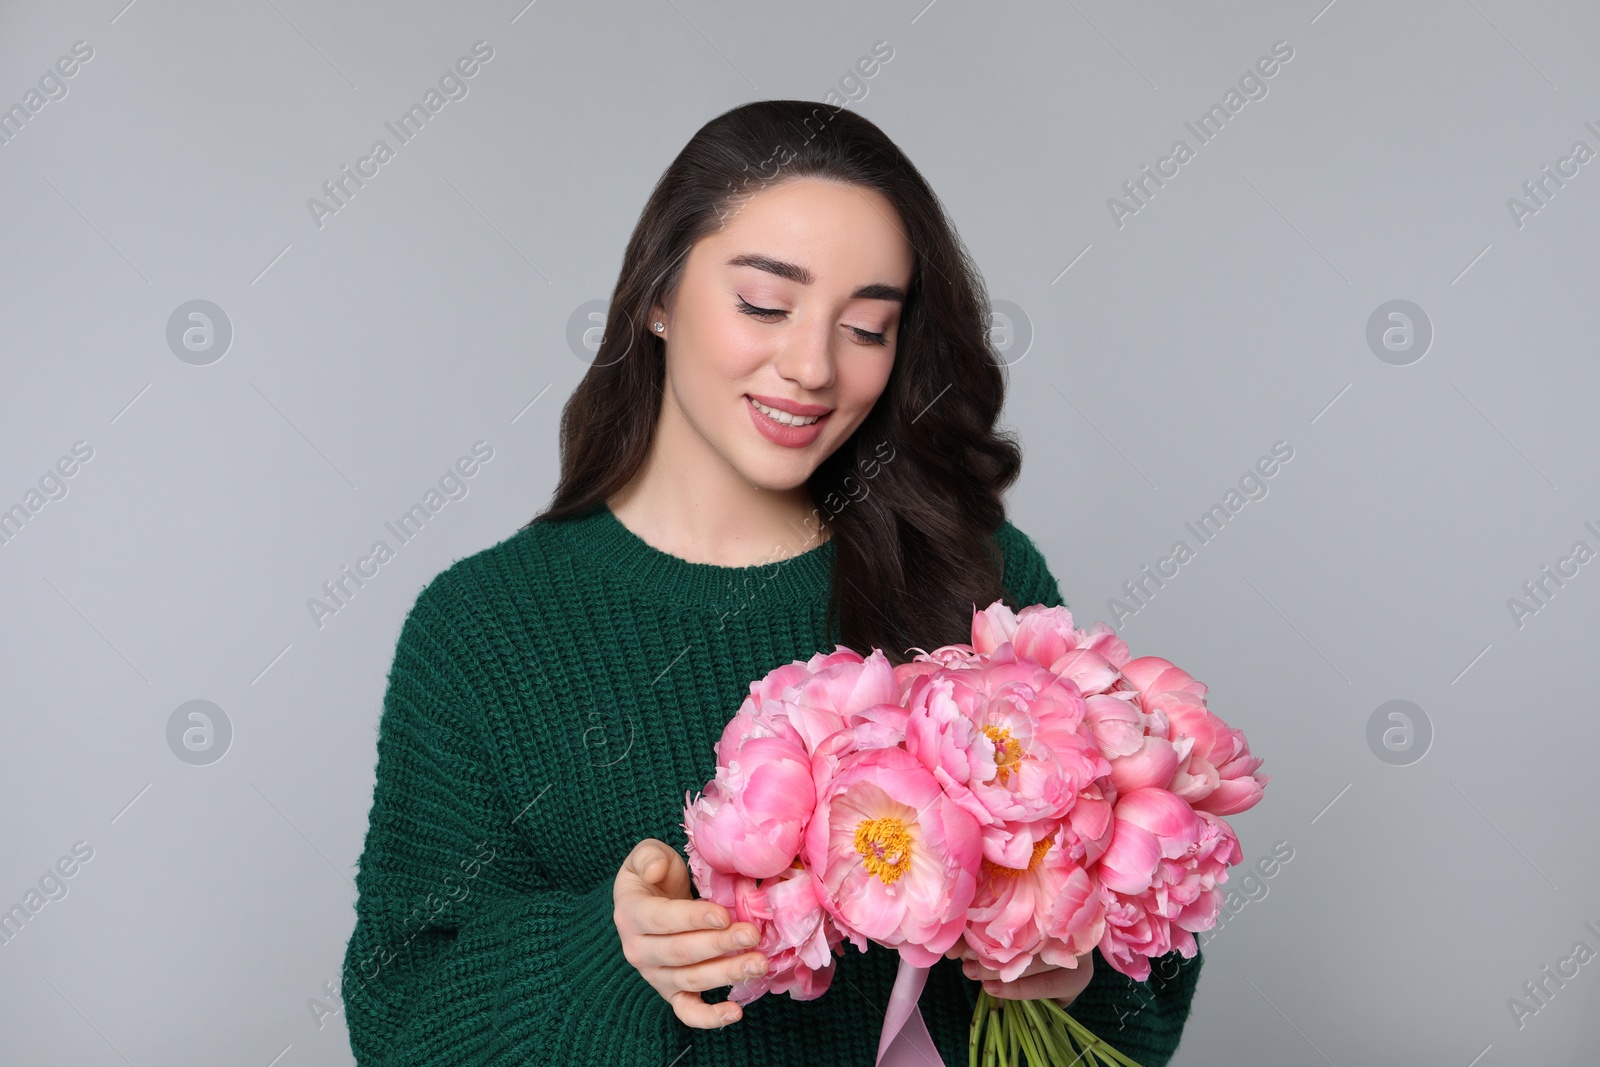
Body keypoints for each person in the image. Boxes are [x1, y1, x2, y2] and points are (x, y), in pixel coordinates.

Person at [341, 99, 1201, 1066]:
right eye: (764, 304)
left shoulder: (979, 580)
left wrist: (1075, 961)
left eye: (868, 327)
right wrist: (611, 949)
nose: (811, 366)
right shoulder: (484, 629)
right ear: (656, 298)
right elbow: (400, 1017)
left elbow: (1142, 988)